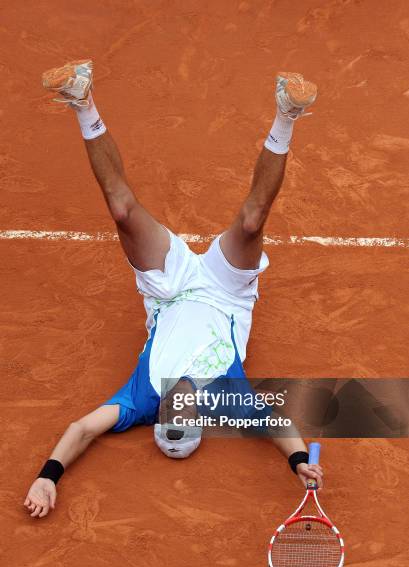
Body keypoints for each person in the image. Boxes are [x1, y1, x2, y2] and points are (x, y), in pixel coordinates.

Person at [24, 60, 323, 518]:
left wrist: (48, 476)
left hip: (170, 288)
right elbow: (277, 423)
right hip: (226, 293)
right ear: (199, 422)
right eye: (186, 422)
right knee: (252, 220)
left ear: (160, 418)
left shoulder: (142, 397)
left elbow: (82, 428)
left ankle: (82, 100)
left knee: (122, 211)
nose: (177, 413)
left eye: (170, 421)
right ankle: (287, 111)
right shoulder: (226, 397)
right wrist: (299, 461)